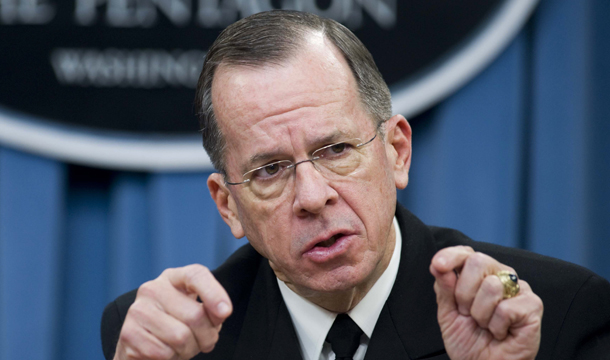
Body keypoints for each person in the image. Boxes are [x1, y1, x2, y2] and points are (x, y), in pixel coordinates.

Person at [101, 10, 610, 360]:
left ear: (396, 152)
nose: (312, 196)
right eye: (270, 170)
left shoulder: (554, 319)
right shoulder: (174, 342)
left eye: (336, 150)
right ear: (228, 205)